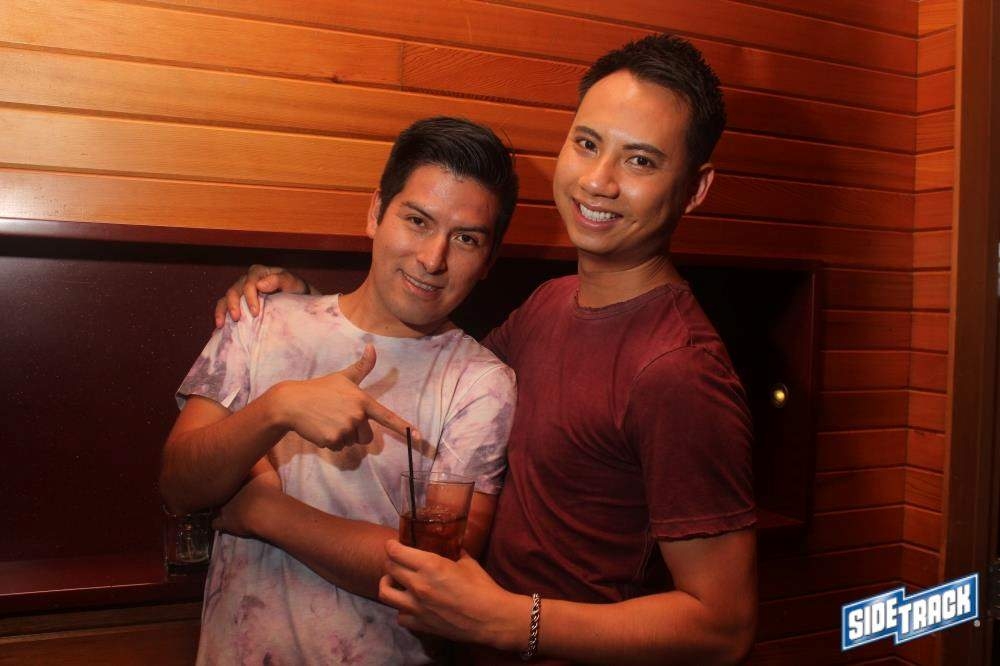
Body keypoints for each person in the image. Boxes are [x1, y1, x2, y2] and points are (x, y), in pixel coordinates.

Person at [217, 34, 756, 664]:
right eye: (587, 144)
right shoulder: (553, 302)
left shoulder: (679, 369)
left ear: (694, 188)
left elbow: (723, 626)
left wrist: (511, 621)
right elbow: (432, 358)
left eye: (640, 161)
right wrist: (312, 308)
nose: (598, 181)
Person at [162, 116, 519, 664]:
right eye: (417, 220)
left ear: (489, 261)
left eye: (466, 239)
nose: (433, 259)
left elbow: (436, 571)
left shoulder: (480, 383)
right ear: (375, 213)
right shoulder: (262, 318)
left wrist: (266, 512)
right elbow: (178, 484)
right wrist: (277, 408)